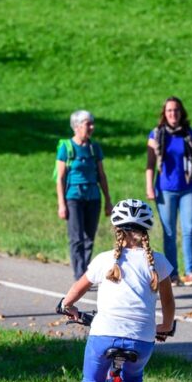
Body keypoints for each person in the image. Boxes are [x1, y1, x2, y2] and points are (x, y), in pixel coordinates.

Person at [58, 198, 176, 382]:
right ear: (146, 231)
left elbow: (77, 289)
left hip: (104, 336)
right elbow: (168, 303)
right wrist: (165, 326)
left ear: (117, 230)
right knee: (133, 380)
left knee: (92, 381)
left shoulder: (105, 259)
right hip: (141, 340)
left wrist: (67, 306)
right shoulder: (158, 262)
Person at [145, 96, 192, 286]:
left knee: (189, 229)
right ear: (164, 114)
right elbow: (150, 164)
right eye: (169, 111)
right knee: (169, 232)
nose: (173, 114)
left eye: (176, 110)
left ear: (181, 113)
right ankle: (172, 274)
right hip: (165, 190)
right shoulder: (156, 135)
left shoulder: (189, 135)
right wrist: (149, 186)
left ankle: (190, 272)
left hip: (187, 188)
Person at [56, 110, 113, 281]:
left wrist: (108, 201)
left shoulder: (94, 148)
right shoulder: (66, 148)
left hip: (93, 197)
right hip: (73, 197)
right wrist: (61, 204)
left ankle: (85, 272)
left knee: (89, 237)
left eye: (91, 123)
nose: (91, 127)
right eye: (88, 124)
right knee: (76, 238)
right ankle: (79, 274)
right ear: (77, 126)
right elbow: (60, 177)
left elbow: (102, 175)